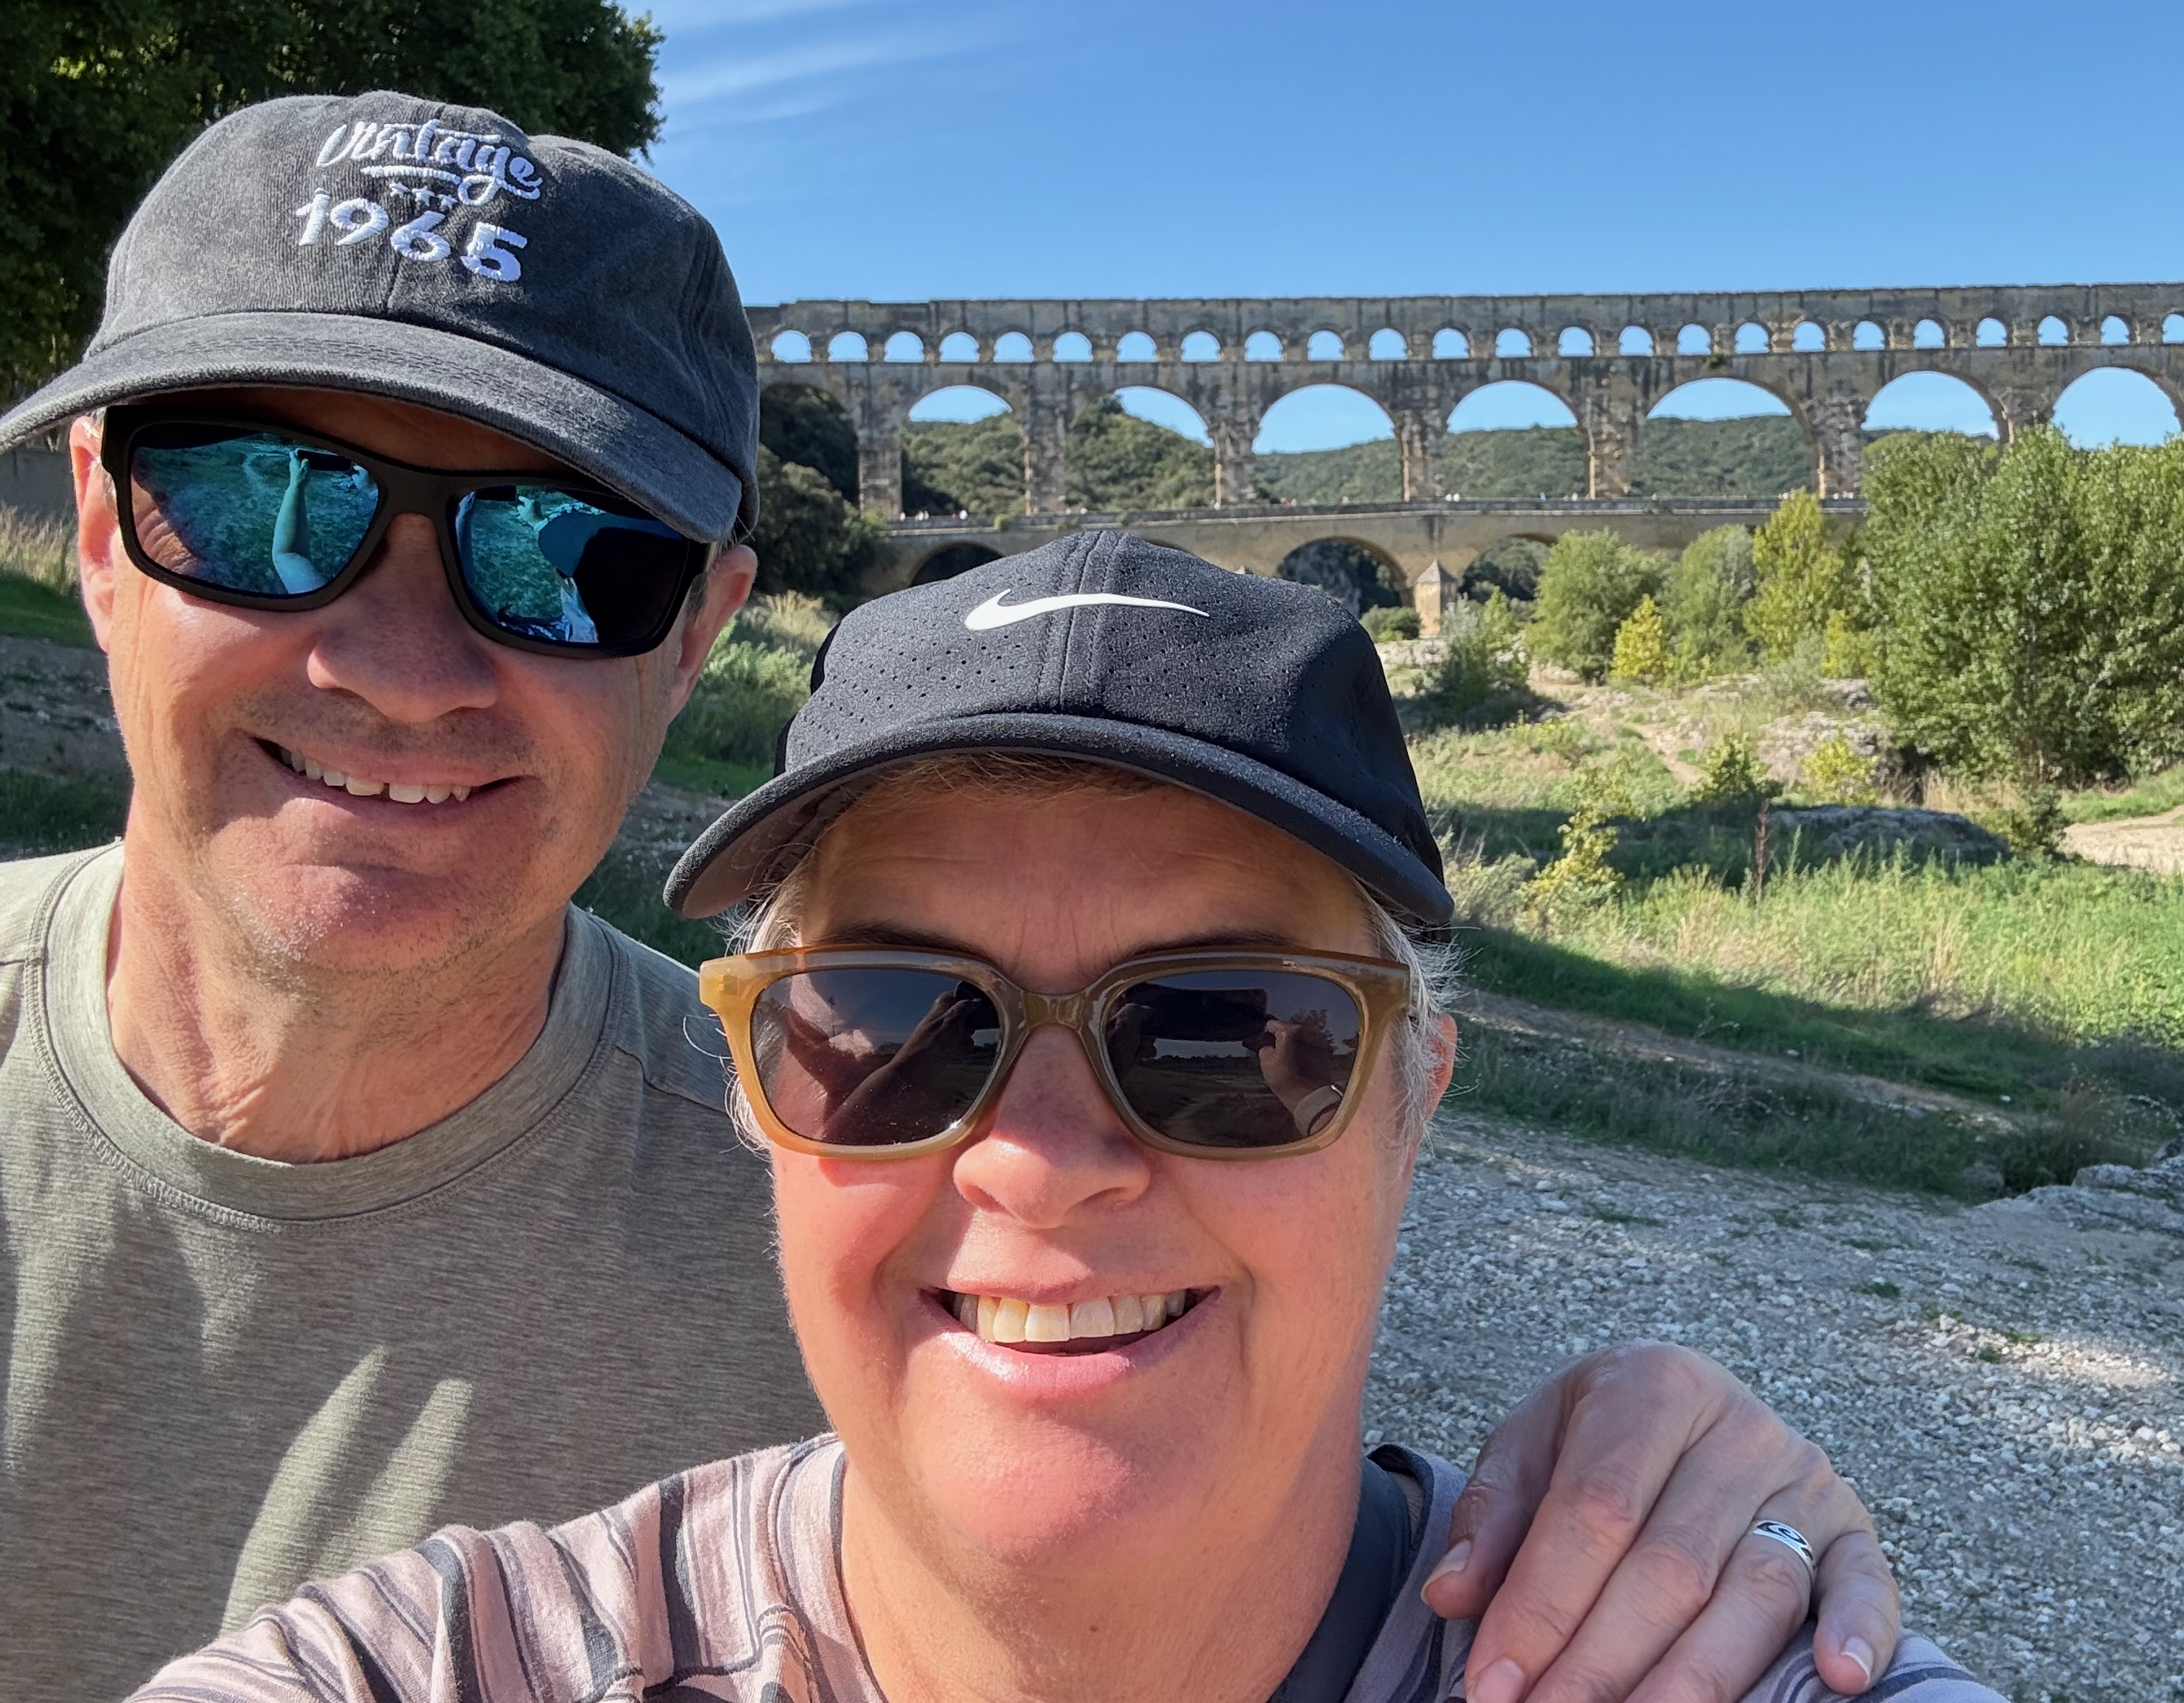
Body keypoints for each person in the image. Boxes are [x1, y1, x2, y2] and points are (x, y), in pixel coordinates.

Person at [0, 92, 1897, 1701]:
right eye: (258, 503)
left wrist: (1665, 1477)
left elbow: (1273, 1484)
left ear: (700, 636)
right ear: (95, 529)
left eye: (570, 557)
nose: (1035, 1158)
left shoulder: (840, 1189)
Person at [138, 536, 1999, 1703]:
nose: (1038, 1157)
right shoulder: (424, 1670)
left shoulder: (1689, 1663)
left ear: (1414, 1097)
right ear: (755, 1086)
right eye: (887, 1025)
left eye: (1220, 1033)